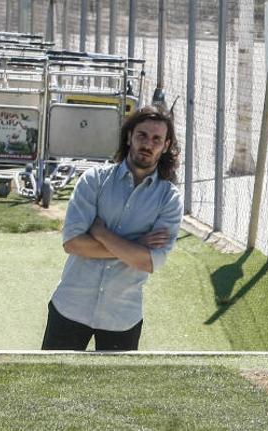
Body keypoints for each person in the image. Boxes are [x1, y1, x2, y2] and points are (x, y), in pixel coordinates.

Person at [42, 107, 183, 351]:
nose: (147, 144)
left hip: (122, 317)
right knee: (49, 387)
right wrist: (136, 246)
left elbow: (150, 262)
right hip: (70, 306)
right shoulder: (94, 180)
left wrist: (100, 233)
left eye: (156, 139)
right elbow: (73, 243)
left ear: (166, 145)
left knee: (117, 391)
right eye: (142, 136)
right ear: (129, 137)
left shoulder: (169, 199)